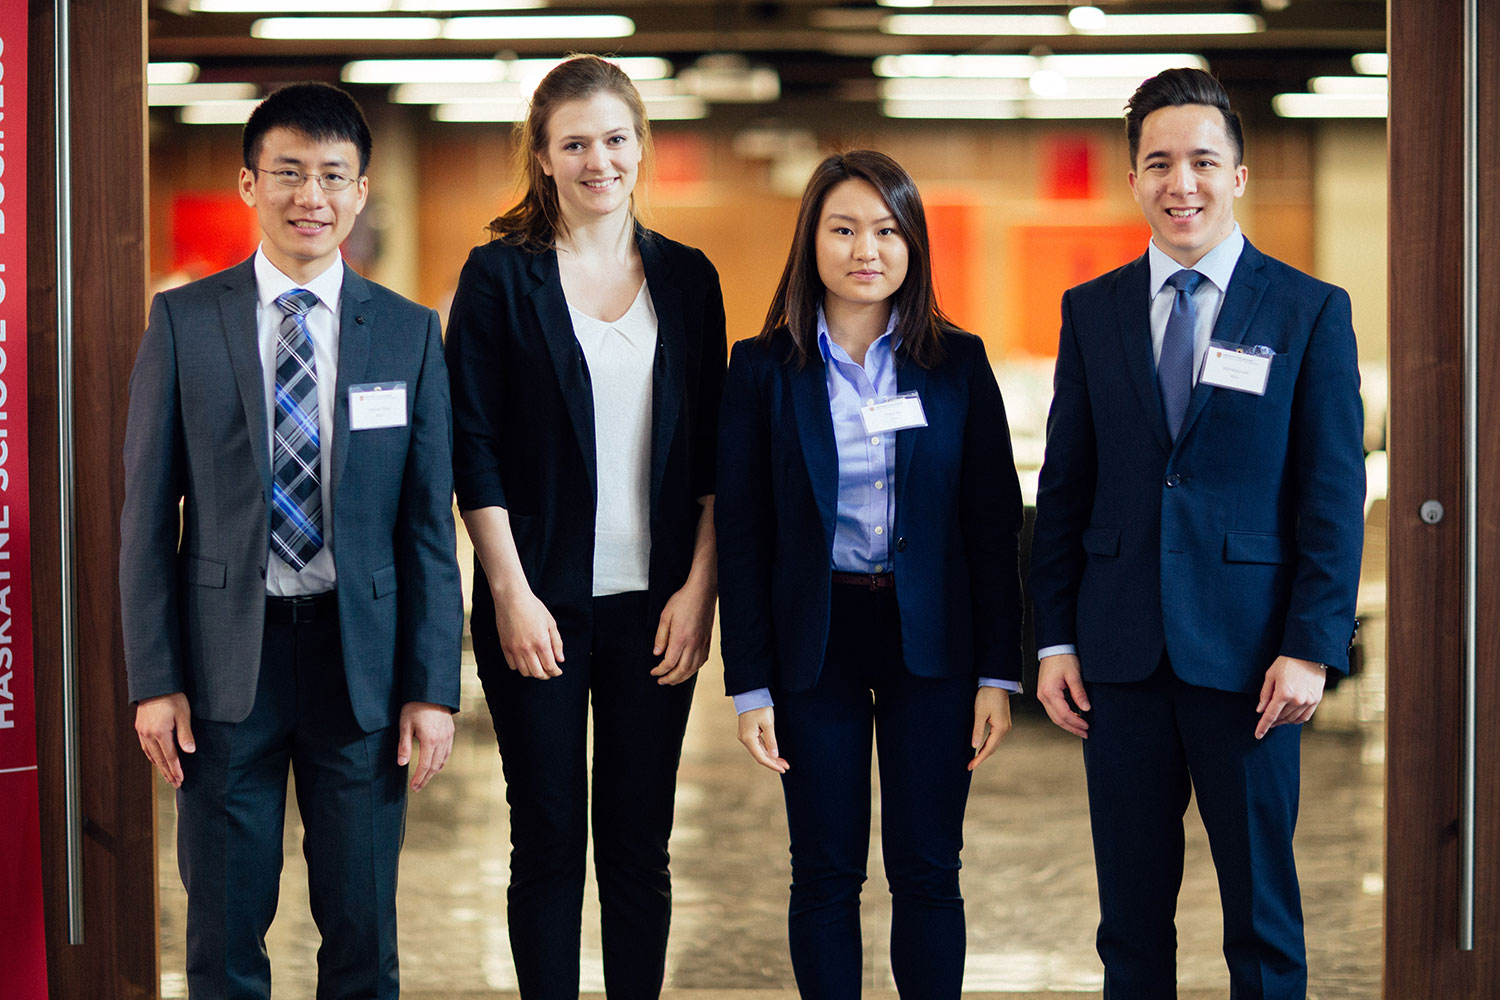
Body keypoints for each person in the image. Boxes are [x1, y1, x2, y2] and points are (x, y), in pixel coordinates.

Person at [121, 82, 463, 1000]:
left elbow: (428, 525)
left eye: (332, 176)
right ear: (248, 184)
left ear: (360, 193)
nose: (310, 196)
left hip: (362, 668)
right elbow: (148, 519)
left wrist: (433, 688)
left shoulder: (408, 333)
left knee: (362, 929)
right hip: (228, 665)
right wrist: (155, 680)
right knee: (225, 930)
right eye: (288, 173)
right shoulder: (186, 323)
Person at [1028, 68, 1365, 999]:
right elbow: (1067, 488)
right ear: (1133, 180)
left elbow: (1330, 499)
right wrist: (1053, 637)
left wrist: (1310, 646)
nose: (1184, 183)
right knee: (1130, 923)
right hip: (1120, 662)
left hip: (1252, 663)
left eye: (1204, 162)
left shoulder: (1307, 310)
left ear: (1240, 175)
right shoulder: (1091, 311)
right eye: (1161, 163)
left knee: (1262, 918)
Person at [443, 55, 725, 1000]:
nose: (597, 160)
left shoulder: (688, 279)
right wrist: (511, 593)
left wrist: (699, 590)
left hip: (656, 607)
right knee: (551, 836)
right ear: (544, 156)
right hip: (539, 607)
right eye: (575, 143)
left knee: (640, 842)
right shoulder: (497, 278)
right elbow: (471, 447)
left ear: (641, 145)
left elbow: (714, 455)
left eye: (614, 139)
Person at [716, 149, 1023, 999]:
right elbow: (742, 537)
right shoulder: (762, 368)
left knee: (928, 868)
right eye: (844, 228)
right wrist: (750, 689)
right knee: (824, 871)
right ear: (810, 240)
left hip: (933, 640)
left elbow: (992, 528)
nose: (867, 249)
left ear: (913, 244)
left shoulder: (956, 364)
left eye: (888, 230)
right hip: (815, 643)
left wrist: (999, 672)